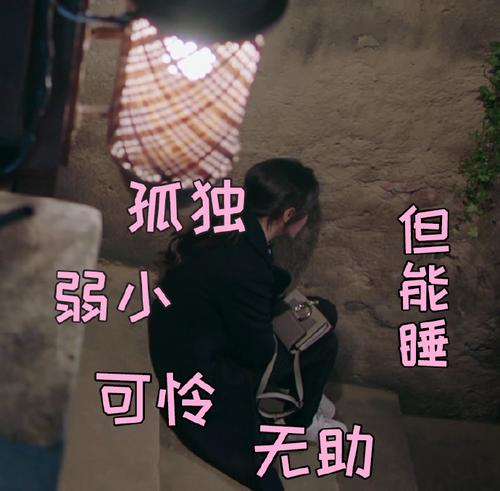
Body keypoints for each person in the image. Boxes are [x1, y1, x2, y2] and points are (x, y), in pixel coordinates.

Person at [148, 158, 345, 491]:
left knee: (321, 313)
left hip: (182, 333)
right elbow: (256, 351)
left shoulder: (229, 216)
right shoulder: (247, 266)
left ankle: (302, 398)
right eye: (305, 213)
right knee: (323, 340)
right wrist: (280, 330)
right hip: (200, 369)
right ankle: (300, 420)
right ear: (288, 214)